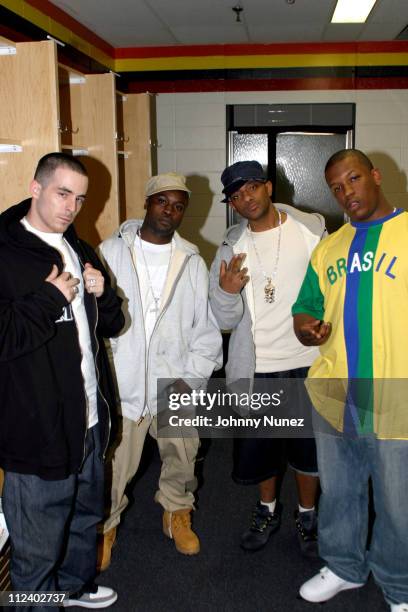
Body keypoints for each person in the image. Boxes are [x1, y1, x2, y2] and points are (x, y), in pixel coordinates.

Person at [0, 153, 124, 609]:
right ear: (35, 188)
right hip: (35, 430)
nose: (72, 207)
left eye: (80, 198)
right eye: (62, 193)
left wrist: (103, 293)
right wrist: (49, 299)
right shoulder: (5, 248)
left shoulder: (78, 245)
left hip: (89, 419)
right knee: (36, 543)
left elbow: (111, 325)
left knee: (83, 517)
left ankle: (74, 589)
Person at [293, 149, 408, 612]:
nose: (347, 193)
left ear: (376, 176)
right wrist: (305, 326)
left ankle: (399, 583)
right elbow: (306, 306)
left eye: (354, 179)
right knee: (340, 491)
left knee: (399, 501)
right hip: (335, 387)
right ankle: (343, 566)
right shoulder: (330, 247)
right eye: (337, 188)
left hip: (395, 388)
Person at [98, 172, 222, 568]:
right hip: (124, 381)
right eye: (162, 202)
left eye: (179, 206)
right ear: (147, 203)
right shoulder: (109, 254)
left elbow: (205, 332)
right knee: (114, 465)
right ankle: (105, 526)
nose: (170, 211)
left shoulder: (193, 262)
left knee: (183, 457)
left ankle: (176, 512)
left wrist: (192, 380)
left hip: (175, 380)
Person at [209, 160, 326, 554]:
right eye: (237, 196)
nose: (246, 199)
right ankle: (268, 509)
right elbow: (223, 318)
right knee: (263, 449)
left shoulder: (312, 231)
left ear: (269, 188)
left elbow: (335, 289)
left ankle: (307, 515)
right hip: (258, 367)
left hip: (310, 363)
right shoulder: (230, 247)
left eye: (252, 189)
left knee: (309, 450)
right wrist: (226, 292)